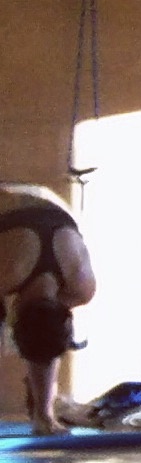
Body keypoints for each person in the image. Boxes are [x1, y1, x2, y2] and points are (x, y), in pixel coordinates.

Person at [1, 185, 96, 433]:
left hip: (50, 208)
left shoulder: (81, 287)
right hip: (15, 205)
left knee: (45, 334)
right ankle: (43, 415)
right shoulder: (7, 271)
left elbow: (48, 331)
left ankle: (44, 416)